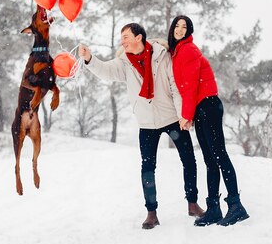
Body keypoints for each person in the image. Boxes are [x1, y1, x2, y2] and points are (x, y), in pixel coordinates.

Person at [78, 23, 205, 229]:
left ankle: (192, 203)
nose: (123, 41)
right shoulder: (124, 62)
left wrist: (183, 114)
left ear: (139, 37)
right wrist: (89, 59)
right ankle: (151, 212)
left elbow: (174, 84)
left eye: (126, 37)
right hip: (147, 123)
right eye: (122, 37)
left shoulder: (162, 55)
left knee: (189, 160)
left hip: (172, 117)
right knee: (148, 168)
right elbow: (106, 71)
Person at [167, 15, 249, 227]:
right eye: (177, 26)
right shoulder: (177, 52)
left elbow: (191, 84)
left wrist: (185, 115)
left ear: (189, 30)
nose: (180, 29)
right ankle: (213, 208)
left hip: (209, 105)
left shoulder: (188, 50)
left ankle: (236, 205)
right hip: (201, 107)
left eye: (184, 27)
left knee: (219, 155)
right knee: (210, 160)